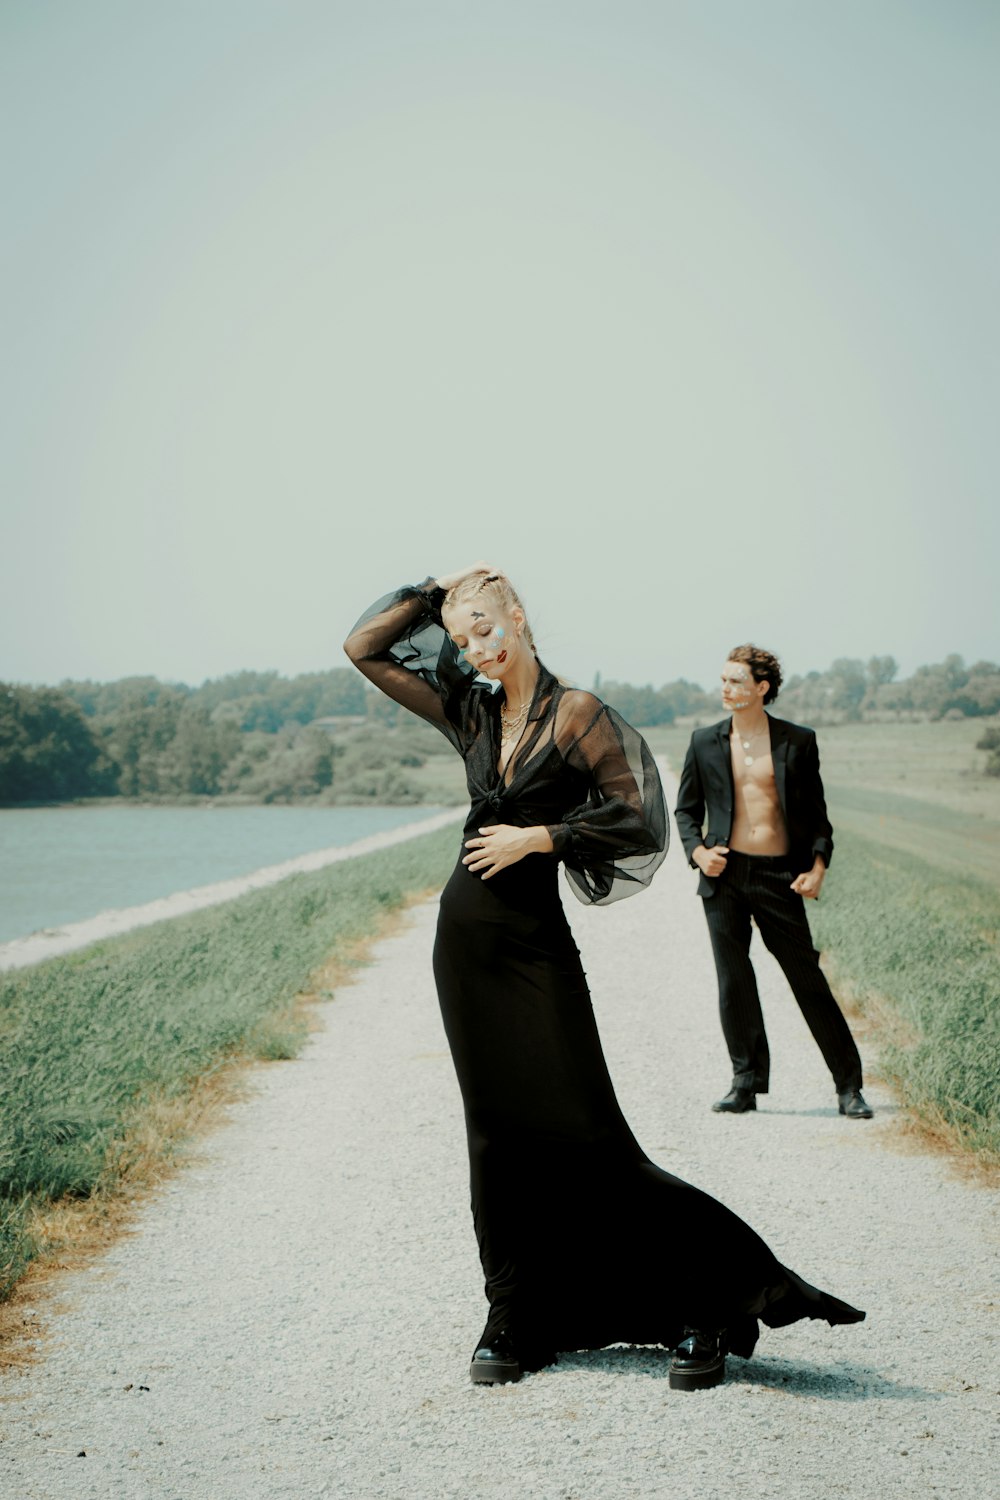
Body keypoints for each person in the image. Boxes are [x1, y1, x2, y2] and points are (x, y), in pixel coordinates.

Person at [344, 568, 865, 1391]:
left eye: (486, 625)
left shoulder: (576, 714)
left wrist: (539, 838)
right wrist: (432, 590)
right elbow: (363, 647)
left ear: (518, 615)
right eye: (462, 635)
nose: (476, 647)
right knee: (496, 1140)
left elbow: (639, 818)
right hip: (466, 946)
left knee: (590, 1135)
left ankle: (711, 1302)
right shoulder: (471, 711)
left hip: (536, 947)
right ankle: (513, 1314)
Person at [674, 644, 873, 1120]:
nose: (726, 688)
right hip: (724, 875)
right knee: (734, 981)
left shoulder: (797, 742)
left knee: (807, 979)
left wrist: (817, 867)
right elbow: (685, 810)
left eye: (736, 681)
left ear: (761, 688)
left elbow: (818, 819)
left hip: (779, 875)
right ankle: (745, 1083)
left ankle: (849, 1086)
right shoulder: (704, 741)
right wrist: (699, 853)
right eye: (723, 680)